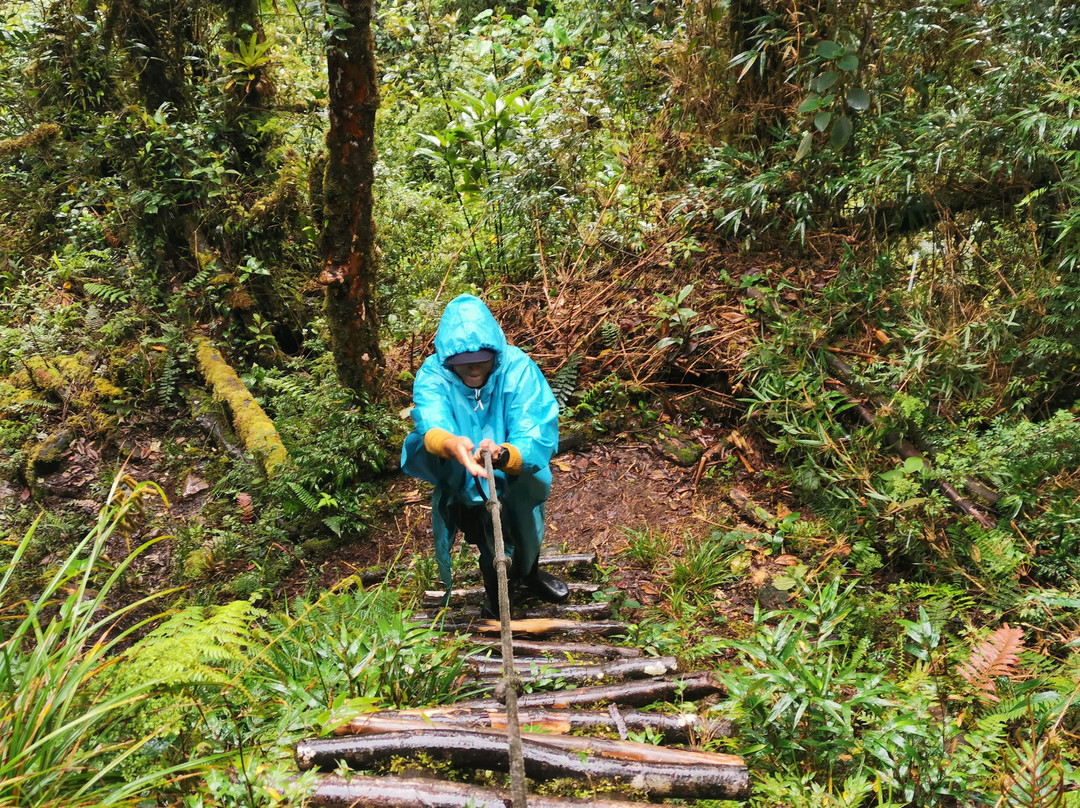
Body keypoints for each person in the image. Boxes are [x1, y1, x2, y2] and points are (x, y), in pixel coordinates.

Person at [401, 294, 569, 618]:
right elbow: (431, 418)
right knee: (489, 537)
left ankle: (530, 573)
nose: (474, 367)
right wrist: (452, 445)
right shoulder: (435, 375)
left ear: (496, 351)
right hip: (464, 477)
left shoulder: (516, 367)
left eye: (481, 358)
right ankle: (496, 597)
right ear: (448, 359)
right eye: (463, 362)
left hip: (520, 477)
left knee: (526, 527)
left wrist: (506, 455)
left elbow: (535, 422)